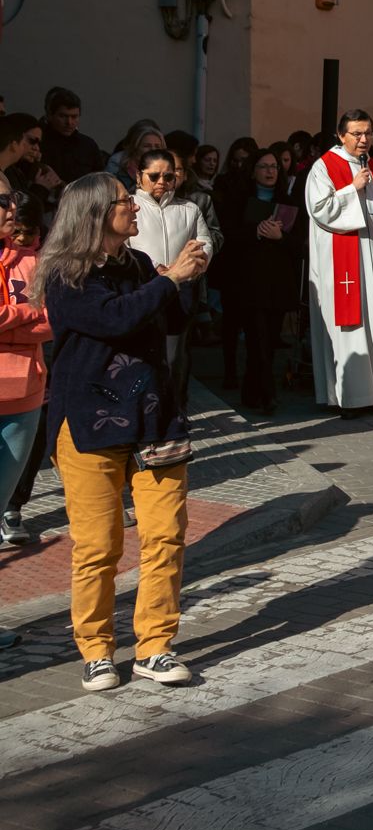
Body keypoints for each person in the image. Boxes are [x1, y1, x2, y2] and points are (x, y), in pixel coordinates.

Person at [32, 174, 210, 691]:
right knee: (97, 546)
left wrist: (181, 278)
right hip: (90, 420)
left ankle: (154, 646)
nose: (135, 207)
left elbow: (171, 323)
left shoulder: (135, 263)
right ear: (93, 214)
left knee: (166, 536)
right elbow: (113, 319)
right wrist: (168, 280)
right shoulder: (66, 274)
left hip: (156, 417)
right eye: (124, 201)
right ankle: (96, 650)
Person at [304, 110, 373, 412]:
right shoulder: (324, 167)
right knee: (349, 327)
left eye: (368, 133)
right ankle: (350, 398)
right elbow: (319, 209)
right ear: (341, 135)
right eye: (356, 134)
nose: (364, 139)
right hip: (342, 260)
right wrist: (352, 188)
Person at [0, 187, 50, 647]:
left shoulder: (37, 263)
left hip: (25, 396)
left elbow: (52, 320)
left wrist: (11, 323)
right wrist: (21, 314)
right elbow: (30, 316)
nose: (16, 229)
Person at [129, 148, 215, 402]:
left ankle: (172, 412)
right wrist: (152, 267)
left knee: (173, 356)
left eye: (168, 177)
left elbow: (205, 243)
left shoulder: (188, 209)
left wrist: (189, 265)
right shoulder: (129, 206)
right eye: (154, 176)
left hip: (180, 290)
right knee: (142, 354)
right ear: (138, 176)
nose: (161, 183)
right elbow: (122, 245)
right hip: (141, 289)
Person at [215, 148, 296, 414]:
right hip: (248, 283)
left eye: (274, 166)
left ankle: (252, 391)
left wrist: (280, 237)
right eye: (263, 166)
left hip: (278, 283)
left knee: (269, 341)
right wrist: (257, 232)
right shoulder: (239, 201)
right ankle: (268, 394)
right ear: (252, 171)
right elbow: (228, 235)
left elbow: (300, 244)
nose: (270, 171)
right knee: (256, 339)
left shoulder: (289, 201)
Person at [39, 87, 104, 184]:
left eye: (74, 117)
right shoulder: (39, 143)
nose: (69, 122)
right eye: (63, 116)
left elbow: (100, 179)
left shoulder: (88, 145)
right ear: (50, 116)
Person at [105, 119, 165, 190]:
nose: (153, 149)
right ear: (135, 147)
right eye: (147, 146)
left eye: (157, 146)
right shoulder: (117, 161)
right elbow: (108, 190)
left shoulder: (167, 165)